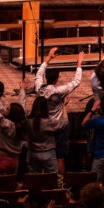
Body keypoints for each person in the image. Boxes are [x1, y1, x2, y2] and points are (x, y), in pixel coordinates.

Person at [34, 47, 84, 175]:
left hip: (42, 125)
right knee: (59, 156)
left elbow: (39, 74)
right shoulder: (58, 91)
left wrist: (48, 58)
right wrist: (79, 64)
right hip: (57, 126)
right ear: (56, 79)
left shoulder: (39, 88)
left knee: (45, 155)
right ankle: (59, 183)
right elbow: (76, 82)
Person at [25, 96, 68, 174]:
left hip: (32, 153)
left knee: (33, 180)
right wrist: (64, 106)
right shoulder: (49, 121)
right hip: (48, 153)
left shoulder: (28, 120)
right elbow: (65, 123)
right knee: (51, 180)